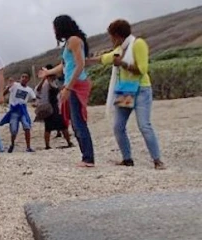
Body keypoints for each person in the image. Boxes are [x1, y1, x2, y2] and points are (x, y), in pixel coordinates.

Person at [86, 19, 166, 170]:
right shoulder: (120, 49)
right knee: (118, 126)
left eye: (111, 36)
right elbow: (105, 58)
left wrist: (122, 63)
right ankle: (127, 158)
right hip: (125, 90)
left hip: (141, 89)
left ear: (116, 35)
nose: (110, 39)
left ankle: (157, 160)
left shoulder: (138, 44)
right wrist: (84, 61)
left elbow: (142, 69)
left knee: (144, 125)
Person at [39, 15, 95, 168]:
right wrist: (48, 73)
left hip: (76, 84)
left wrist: (69, 87)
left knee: (78, 122)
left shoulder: (74, 41)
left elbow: (80, 64)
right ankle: (86, 156)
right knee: (74, 122)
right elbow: (64, 66)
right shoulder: (68, 43)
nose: (54, 31)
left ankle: (88, 158)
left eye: (55, 27)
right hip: (71, 83)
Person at [35, 65, 74, 149]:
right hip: (50, 106)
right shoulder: (47, 82)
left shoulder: (52, 82)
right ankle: (67, 142)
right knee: (59, 125)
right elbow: (38, 90)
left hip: (54, 106)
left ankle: (48, 145)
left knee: (51, 126)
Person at [0, 72, 37, 153]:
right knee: (13, 130)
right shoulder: (15, 85)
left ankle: (28, 147)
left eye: (25, 77)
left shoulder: (29, 90)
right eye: (22, 76)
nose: (23, 78)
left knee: (27, 127)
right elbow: (5, 93)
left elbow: (34, 98)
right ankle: (12, 144)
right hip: (14, 110)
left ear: (28, 79)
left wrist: (34, 103)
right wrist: (8, 87)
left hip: (23, 110)